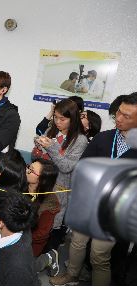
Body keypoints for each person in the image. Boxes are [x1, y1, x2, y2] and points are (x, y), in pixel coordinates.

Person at [50, 92, 137, 286]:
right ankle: (72, 274)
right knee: (77, 242)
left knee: (99, 255)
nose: (119, 118)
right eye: (118, 113)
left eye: (127, 116)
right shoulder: (104, 138)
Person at [34, 99, 88, 246]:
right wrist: (38, 148)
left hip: (58, 189)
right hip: (41, 183)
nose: (57, 122)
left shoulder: (80, 140)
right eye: (55, 117)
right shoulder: (51, 130)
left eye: (62, 119)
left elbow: (66, 167)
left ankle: (50, 258)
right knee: (35, 226)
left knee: (50, 230)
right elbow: (38, 158)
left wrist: (51, 148)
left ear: (73, 118)